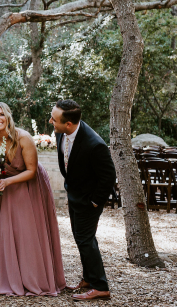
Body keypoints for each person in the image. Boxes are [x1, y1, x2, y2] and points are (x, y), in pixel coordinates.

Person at [0, 102, 65, 296]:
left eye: (1, 114)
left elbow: (31, 170)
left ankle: (35, 278)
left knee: (28, 231)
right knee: (10, 230)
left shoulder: (23, 138)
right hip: (6, 188)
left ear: (8, 116)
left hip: (30, 185)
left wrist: (7, 182)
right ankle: (13, 279)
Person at [51, 99, 116, 302]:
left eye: (54, 119)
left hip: (89, 201)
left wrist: (95, 202)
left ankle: (100, 286)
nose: (51, 121)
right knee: (80, 239)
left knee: (86, 241)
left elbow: (109, 176)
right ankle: (88, 278)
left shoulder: (94, 144)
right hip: (75, 195)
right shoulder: (61, 133)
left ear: (68, 124)